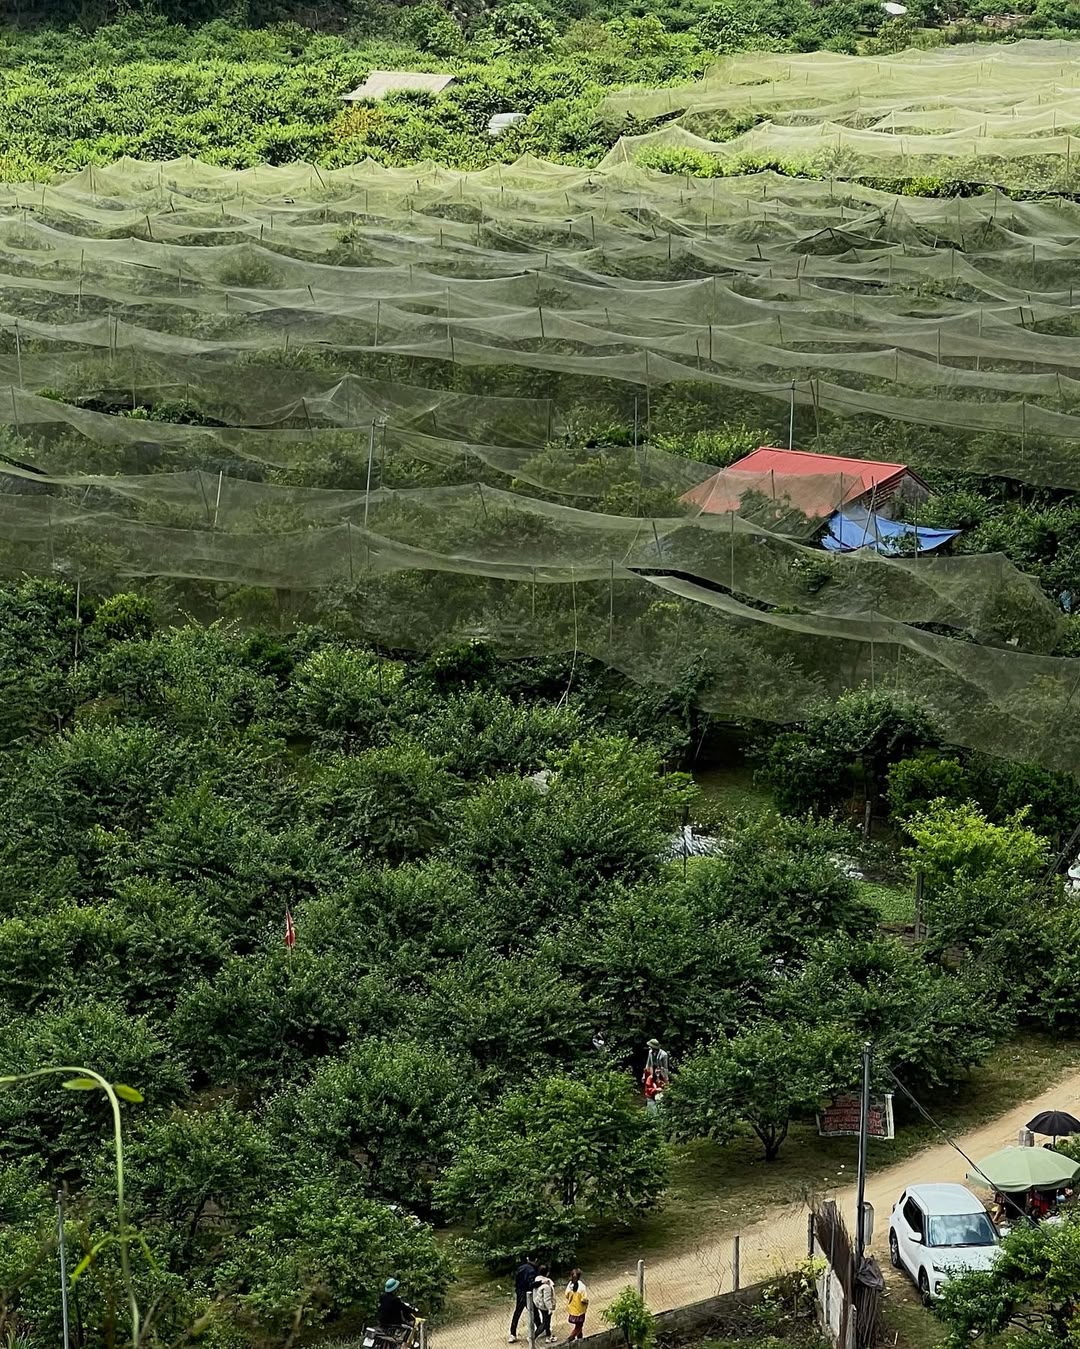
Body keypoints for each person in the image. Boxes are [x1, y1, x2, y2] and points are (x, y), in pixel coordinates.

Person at [508, 1254, 538, 1343]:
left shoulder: (520, 1268)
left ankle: (512, 1333)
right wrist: (540, 1283)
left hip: (520, 1293)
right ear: (535, 1260)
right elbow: (531, 1283)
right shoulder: (532, 1270)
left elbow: (516, 1281)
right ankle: (540, 1328)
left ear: (527, 1259)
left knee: (517, 1313)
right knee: (534, 1312)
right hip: (528, 1294)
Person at [533, 1265, 557, 1343]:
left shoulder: (537, 1280)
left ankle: (548, 1335)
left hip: (539, 1304)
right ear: (547, 1273)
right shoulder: (547, 1285)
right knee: (546, 1322)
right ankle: (533, 1336)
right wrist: (550, 1308)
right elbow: (547, 1299)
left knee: (546, 1320)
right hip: (545, 1306)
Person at [565, 1269, 589, 1341]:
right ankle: (570, 1338)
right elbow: (584, 1299)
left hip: (572, 1309)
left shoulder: (569, 1285)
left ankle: (580, 1338)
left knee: (578, 1325)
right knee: (579, 1326)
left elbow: (566, 1295)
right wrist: (587, 1302)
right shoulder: (582, 1287)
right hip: (580, 1310)